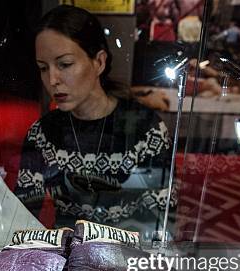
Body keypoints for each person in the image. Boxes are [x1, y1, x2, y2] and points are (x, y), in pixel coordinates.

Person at [14, 5, 174, 235]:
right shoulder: (42, 134)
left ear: (99, 62)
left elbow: (161, 223)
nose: (52, 80)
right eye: (43, 68)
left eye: (65, 64)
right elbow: (22, 217)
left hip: (127, 258)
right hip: (67, 257)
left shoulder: (145, 130)